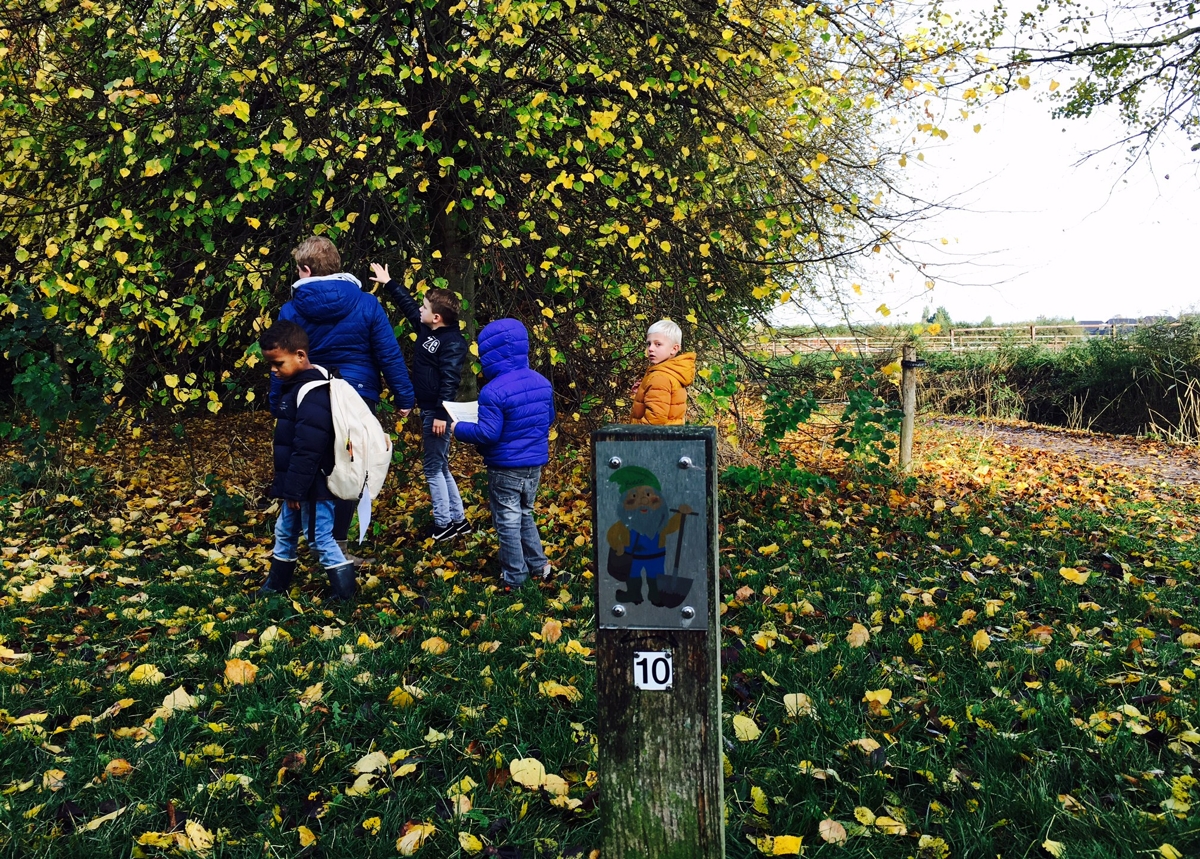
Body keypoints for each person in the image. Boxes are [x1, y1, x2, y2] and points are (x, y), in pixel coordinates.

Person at [273, 236, 415, 562]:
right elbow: (388, 355)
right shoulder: (367, 304)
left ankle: (313, 539)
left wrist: (277, 402)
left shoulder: (291, 309)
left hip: (308, 398)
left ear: (306, 270)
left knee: (312, 463)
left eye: (298, 270)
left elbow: (280, 362)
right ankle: (337, 546)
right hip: (358, 399)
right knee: (350, 469)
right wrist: (404, 396)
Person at [451, 319, 555, 590]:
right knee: (524, 513)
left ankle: (514, 576)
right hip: (534, 464)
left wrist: (458, 428)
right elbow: (549, 418)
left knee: (507, 521)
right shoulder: (542, 383)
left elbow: (488, 434)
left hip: (505, 467)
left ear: (489, 355)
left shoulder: (493, 391)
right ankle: (539, 565)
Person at [369, 262, 469, 541]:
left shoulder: (453, 343)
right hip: (429, 409)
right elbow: (409, 307)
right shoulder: (427, 330)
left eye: (426, 308)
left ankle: (443, 524)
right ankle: (458, 520)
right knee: (440, 465)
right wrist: (389, 283)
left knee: (433, 468)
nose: (420, 310)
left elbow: (450, 380)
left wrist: (440, 414)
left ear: (437, 317)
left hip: (438, 413)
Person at [258, 321, 357, 600]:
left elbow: (309, 448)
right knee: (285, 531)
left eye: (278, 364)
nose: (274, 371)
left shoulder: (313, 393)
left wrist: (296, 489)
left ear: (300, 355)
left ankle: (345, 593)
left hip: (313, 485)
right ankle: (275, 586)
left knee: (319, 537)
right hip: (299, 484)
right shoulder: (296, 386)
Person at [630, 319, 695, 425]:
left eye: (658, 344)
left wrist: (632, 436)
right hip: (668, 438)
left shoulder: (660, 378)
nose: (650, 348)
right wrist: (643, 391)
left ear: (674, 349)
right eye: (649, 343)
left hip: (652, 440)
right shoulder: (672, 372)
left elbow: (654, 421)